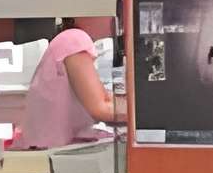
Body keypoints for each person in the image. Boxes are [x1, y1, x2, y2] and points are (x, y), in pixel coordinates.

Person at [9, 16, 126, 148]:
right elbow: (101, 108)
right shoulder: (75, 39)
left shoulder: (73, 39)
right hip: (48, 151)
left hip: (47, 146)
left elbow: (105, 98)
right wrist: (146, 113)